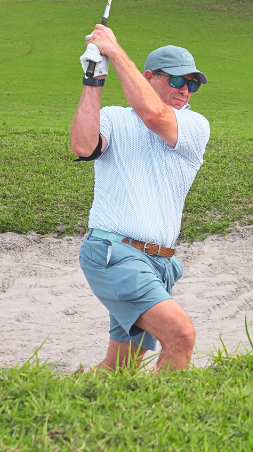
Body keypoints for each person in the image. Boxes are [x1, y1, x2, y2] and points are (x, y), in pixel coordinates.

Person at [71, 26, 211, 371]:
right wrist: (93, 81)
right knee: (181, 335)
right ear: (150, 77)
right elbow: (83, 146)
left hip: (160, 264)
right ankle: (164, 422)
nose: (185, 91)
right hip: (114, 253)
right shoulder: (115, 120)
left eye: (192, 84)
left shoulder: (194, 126)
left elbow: (153, 116)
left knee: (120, 366)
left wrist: (115, 52)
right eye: (177, 81)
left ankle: (71, 411)